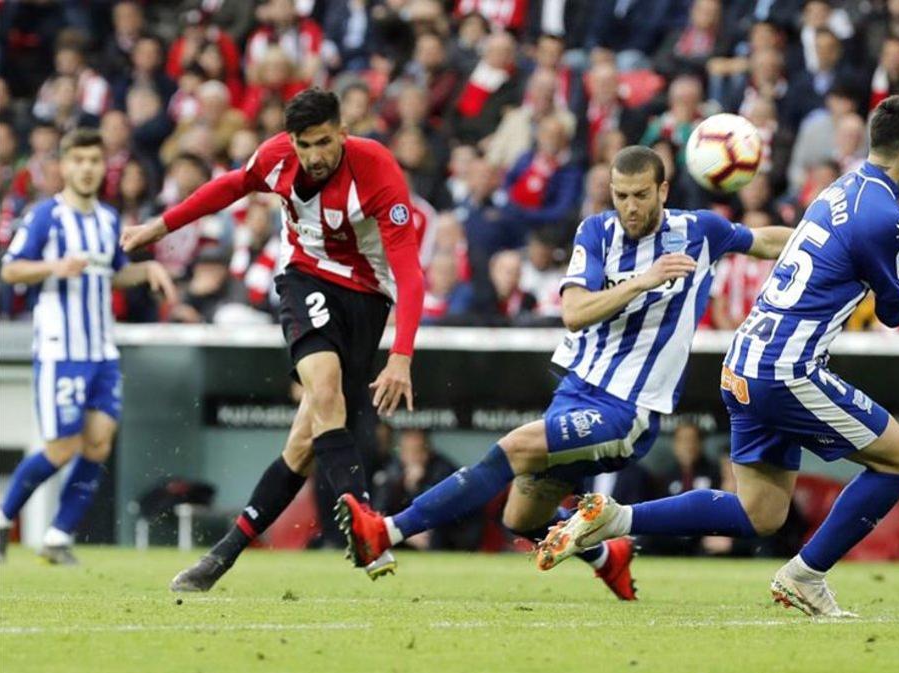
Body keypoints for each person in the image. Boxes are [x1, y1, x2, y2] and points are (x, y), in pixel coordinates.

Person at [538, 96, 899, 618]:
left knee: (761, 513)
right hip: (786, 370)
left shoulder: (843, 188)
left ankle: (614, 519)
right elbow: (896, 311)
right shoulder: (886, 217)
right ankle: (806, 575)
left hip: (743, 362)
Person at [334, 145, 794, 601]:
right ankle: (606, 558)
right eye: (620, 195)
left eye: (639, 195)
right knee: (523, 516)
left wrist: (826, 241)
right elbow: (573, 312)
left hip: (626, 410)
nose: (629, 207)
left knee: (513, 448)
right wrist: (643, 280)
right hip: (575, 391)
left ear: (663, 190)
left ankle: (386, 531)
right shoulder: (595, 233)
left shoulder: (700, 231)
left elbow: (762, 241)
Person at [119, 89, 425, 591]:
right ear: (292, 141)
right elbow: (232, 186)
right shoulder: (277, 157)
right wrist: (161, 226)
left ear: (342, 133)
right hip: (305, 278)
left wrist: (401, 356)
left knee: (304, 443)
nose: (315, 156)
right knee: (323, 390)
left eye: (324, 142)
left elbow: (410, 273)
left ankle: (220, 558)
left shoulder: (378, 170)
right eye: (305, 145)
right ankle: (367, 527)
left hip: (368, 298)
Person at [0, 129, 176, 564]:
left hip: (101, 350)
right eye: (78, 160)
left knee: (98, 443)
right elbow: (11, 271)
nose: (87, 168)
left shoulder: (108, 220)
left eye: (94, 160)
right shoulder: (46, 216)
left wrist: (147, 267)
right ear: (64, 165)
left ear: (102, 166)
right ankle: (2, 518)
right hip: (61, 349)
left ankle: (59, 536)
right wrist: (54, 266)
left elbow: (112, 273)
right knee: (62, 447)